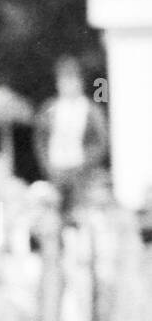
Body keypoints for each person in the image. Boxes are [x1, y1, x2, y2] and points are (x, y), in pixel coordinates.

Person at [33, 56, 109, 223]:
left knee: (82, 211)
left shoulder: (90, 109)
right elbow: (40, 140)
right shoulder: (50, 108)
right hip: (56, 168)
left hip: (82, 168)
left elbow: (101, 140)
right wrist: (47, 165)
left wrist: (88, 162)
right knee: (56, 211)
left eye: (72, 80)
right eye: (64, 80)